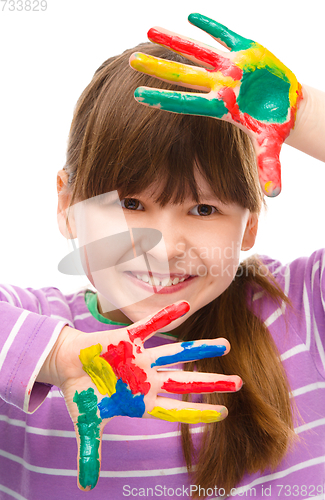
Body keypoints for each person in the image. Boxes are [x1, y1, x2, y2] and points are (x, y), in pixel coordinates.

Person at [0, 11, 324, 500]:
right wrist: (61, 357)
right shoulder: (29, 334)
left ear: (250, 222)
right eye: (130, 203)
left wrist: (298, 114)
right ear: (67, 206)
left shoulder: (302, 312)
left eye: (202, 208)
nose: (165, 247)